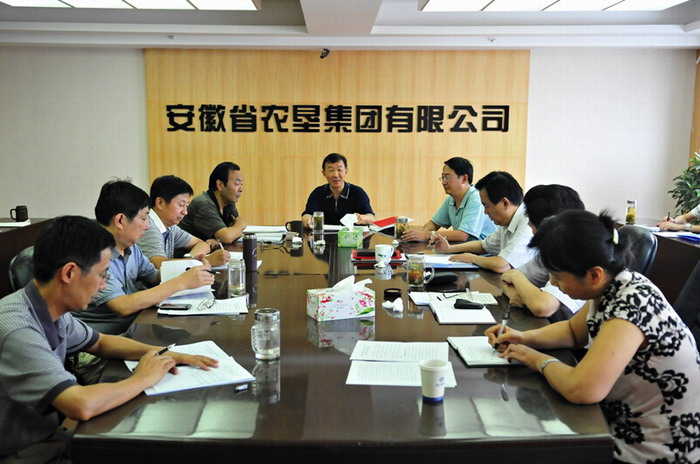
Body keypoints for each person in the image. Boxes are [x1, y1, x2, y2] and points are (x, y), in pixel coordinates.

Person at [487, 210, 700, 463]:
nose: (553, 283)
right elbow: (572, 331)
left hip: (654, 447)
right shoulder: (616, 285)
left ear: (594, 274)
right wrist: (522, 337)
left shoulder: (631, 306)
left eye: (558, 276)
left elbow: (582, 390)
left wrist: (536, 359)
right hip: (619, 422)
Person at [0, 215, 218, 462]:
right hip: (21, 451)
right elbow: (81, 405)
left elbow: (101, 342)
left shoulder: (50, 308)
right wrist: (143, 378)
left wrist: (165, 353)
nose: (104, 286)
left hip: (45, 436)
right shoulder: (18, 329)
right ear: (69, 273)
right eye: (102, 274)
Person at [75, 180, 215, 336]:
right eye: (143, 218)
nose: (147, 226)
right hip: (103, 341)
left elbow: (154, 276)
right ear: (120, 220)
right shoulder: (94, 255)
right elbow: (123, 306)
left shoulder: (130, 247)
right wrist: (182, 282)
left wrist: (191, 267)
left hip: (134, 327)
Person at [500, 184, 586, 323]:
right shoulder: (550, 250)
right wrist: (518, 296)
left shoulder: (579, 254)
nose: (531, 231)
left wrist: (516, 278)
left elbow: (542, 307)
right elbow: (505, 279)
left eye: (531, 224)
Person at [432, 171, 535, 273]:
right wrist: (450, 249)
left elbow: (501, 265)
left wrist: (473, 258)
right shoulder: (507, 222)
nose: (485, 212)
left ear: (505, 203)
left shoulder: (528, 223)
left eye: (486, 206)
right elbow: (484, 245)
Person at [137, 175, 230, 269]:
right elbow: (160, 266)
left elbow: (202, 244)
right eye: (181, 205)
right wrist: (205, 261)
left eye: (186, 206)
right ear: (160, 203)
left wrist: (190, 259)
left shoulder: (170, 227)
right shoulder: (148, 227)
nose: (185, 212)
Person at [401, 157, 495, 243]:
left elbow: (463, 235)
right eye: (442, 177)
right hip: (464, 250)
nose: (443, 182)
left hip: (484, 252)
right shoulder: (451, 199)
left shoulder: (476, 198)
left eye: (447, 177)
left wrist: (426, 235)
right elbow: (434, 224)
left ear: (464, 178)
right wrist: (415, 234)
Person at [179, 162, 247, 244]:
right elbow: (228, 237)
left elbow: (235, 233)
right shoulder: (203, 204)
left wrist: (218, 240)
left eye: (241, 184)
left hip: (206, 249)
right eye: (237, 184)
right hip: (189, 252)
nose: (241, 189)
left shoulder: (229, 202)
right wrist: (241, 223)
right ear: (220, 185)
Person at [301, 153, 375, 228]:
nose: (336, 175)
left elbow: (371, 217)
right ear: (324, 173)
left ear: (346, 171)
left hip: (351, 235)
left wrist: (361, 218)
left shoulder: (357, 192)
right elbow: (307, 214)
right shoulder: (318, 193)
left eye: (339, 170)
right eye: (331, 170)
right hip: (324, 235)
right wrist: (307, 219)